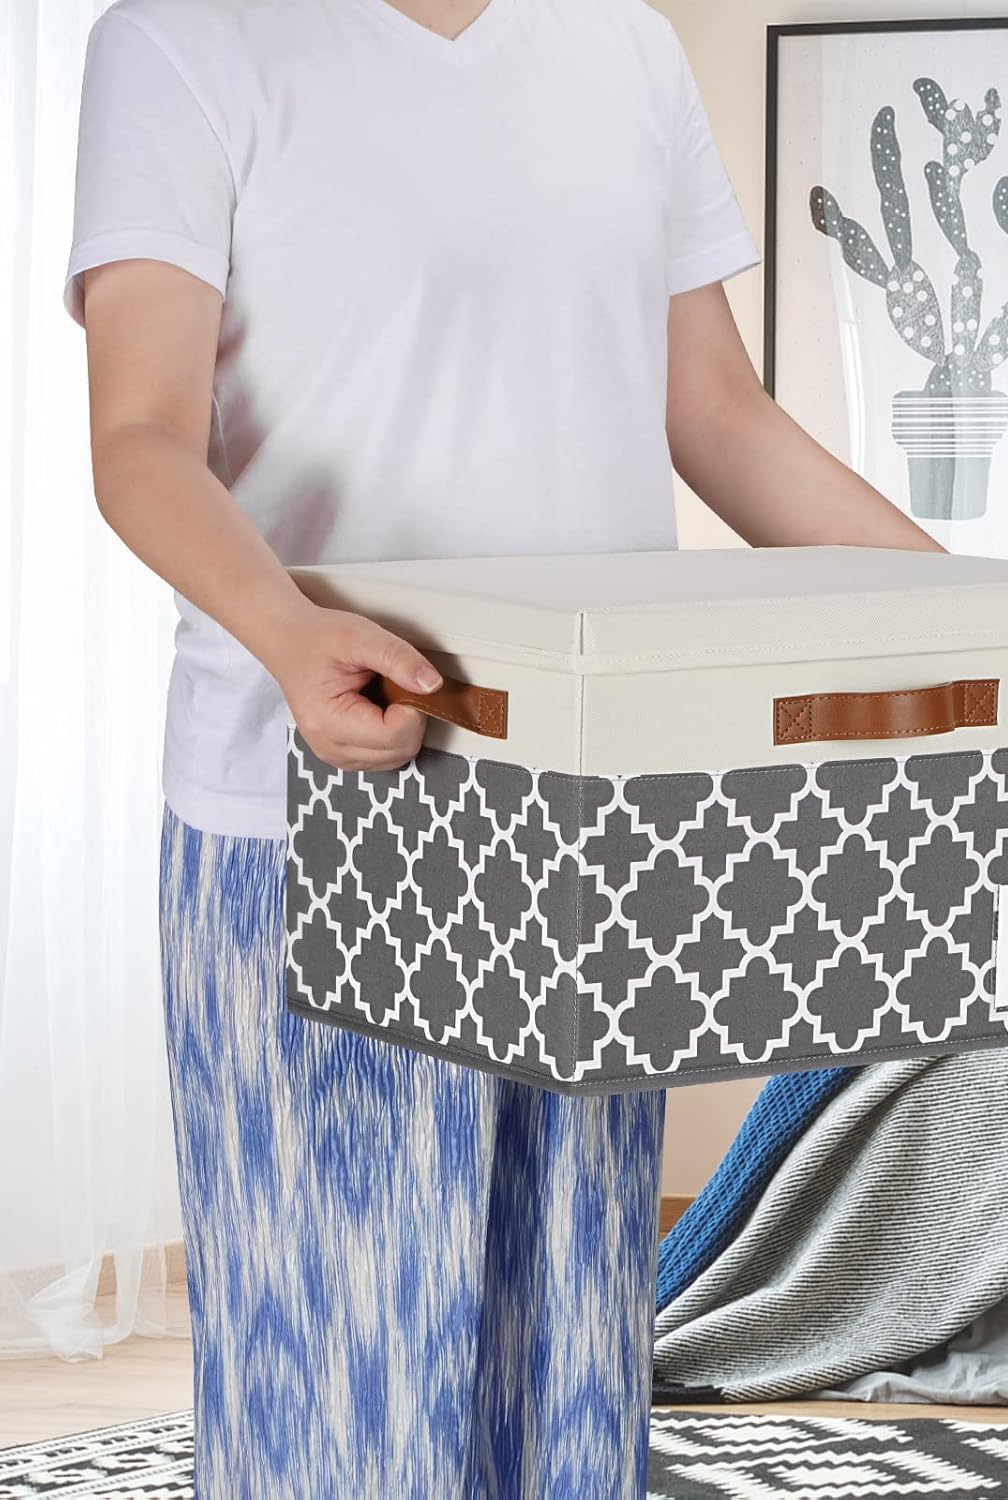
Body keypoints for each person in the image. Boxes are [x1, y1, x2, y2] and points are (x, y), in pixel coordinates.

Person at [67, 0, 938, 1494]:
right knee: (341, 1383)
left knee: (566, 1371)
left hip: (594, 815)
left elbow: (721, 419)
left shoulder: (625, 47)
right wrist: (288, 634)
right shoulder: (187, 38)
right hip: (318, 808)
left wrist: (986, 628)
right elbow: (140, 436)